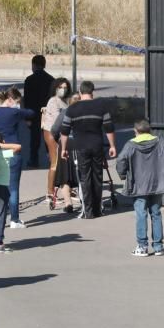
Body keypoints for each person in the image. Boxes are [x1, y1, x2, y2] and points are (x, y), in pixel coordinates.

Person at [116, 120, 164, 256]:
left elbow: (121, 160)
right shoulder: (161, 142)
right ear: (149, 130)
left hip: (138, 185)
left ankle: (142, 246)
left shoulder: (131, 145)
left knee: (141, 214)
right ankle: (158, 247)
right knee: (156, 213)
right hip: (158, 183)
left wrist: (122, 175)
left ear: (136, 131)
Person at [59, 81, 116, 219]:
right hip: (97, 146)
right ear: (92, 92)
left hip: (80, 147)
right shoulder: (101, 107)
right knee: (97, 177)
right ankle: (98, 209)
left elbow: (64, 131)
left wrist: (64, 149)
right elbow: (109, 128)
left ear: (80, 92)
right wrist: (112, 146)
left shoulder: (72, 109)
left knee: (84, 178)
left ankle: (88, 211)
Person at [0, 88, 34, 229]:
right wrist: (21, 109)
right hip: (12, 151)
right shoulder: (14, 112)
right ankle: (14, 219)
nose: (18, 105)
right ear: (11, 100)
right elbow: (31, 113)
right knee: (13, 188)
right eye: (17, 102)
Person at [42, 78, 71, 208]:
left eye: (65, 87)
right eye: (61, 87)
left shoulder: (63, 101)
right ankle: (49, 192)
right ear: (55, 88)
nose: (63, 89)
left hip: (59, 134)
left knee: (61, 162)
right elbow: (56, 122)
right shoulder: (53, 101)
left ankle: (64, 188)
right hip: (52, 133)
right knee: (55, 162)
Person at [22, 55, 55, 168]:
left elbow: (27, 100)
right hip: (48, 113)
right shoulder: (51, 80)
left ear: (33, 65)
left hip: (34, 114)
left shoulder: (29, 80)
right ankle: (52, 159)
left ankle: (34, 160)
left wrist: (27, 117)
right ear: (44, 65)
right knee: (48, 138)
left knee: (34, 139)